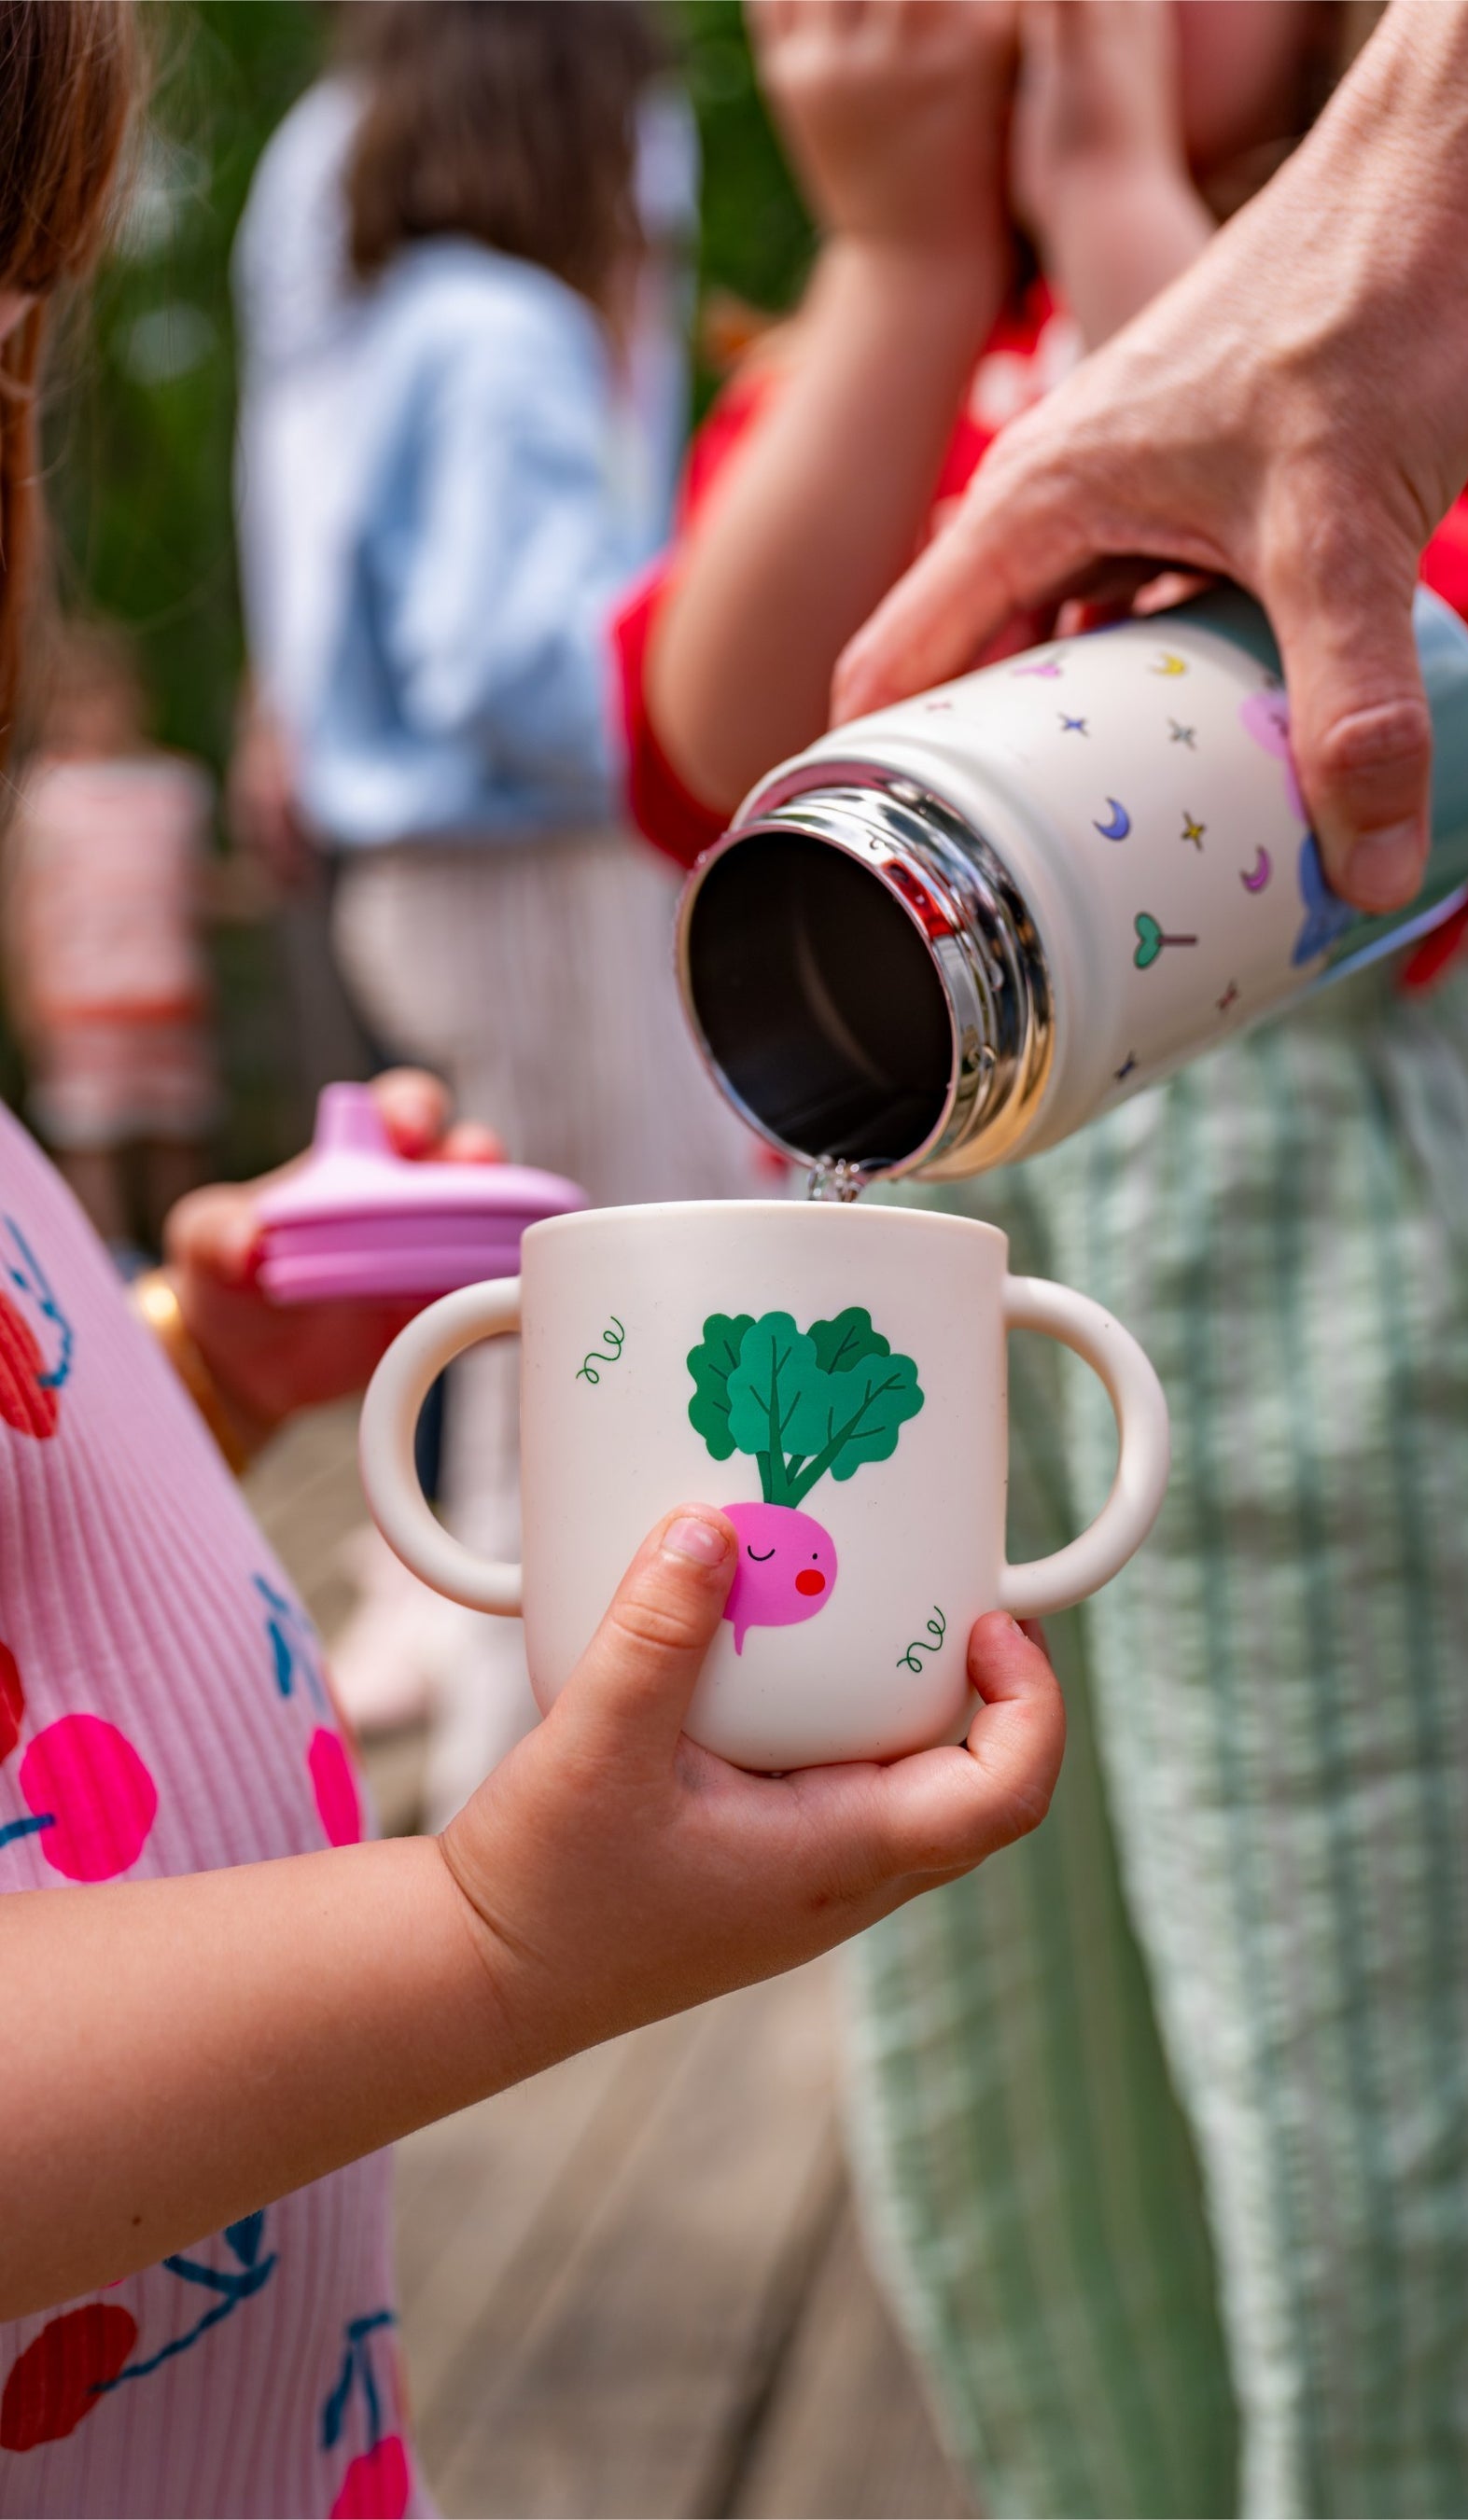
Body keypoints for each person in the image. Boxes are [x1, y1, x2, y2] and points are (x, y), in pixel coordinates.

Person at [616, 4, 1468, 2509]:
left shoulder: (1454, 288)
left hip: (1324, 1318)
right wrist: (895, 257)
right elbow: (720, 742)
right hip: (929, 1326)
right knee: (1015, 2118)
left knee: (1393, 2083)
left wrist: (1132, 238)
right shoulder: (894, 337)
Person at [0, 14, 1064, 2512]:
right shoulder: (499, 336)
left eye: (18, 347)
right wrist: (495, 1928)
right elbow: (511, 662)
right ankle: (573, 1704)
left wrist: (167, 1380)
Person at [234, 0, 760, 1824]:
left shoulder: (399, 330)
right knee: (623, 1308)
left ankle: (516, 1748)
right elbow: (512, 663)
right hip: (536, 872)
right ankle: (557, 1771)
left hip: (439, 885)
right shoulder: (513, 333)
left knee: (543, 1334)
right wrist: (709, 658)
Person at [834, 0, 1468, 921]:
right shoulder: (878, 365)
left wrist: (1111, 194)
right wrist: (901, 260)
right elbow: (702, 771)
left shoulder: (1460, 313)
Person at [3, 620, 218, 1260]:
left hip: (168, 995)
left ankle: (188, 1257)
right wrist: (28, 1002)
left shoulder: (175, 786)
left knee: (176, 1136)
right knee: (92, 1139)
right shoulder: (42, 796)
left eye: (105, 695)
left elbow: (196, 889)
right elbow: (23, 911)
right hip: (81, 1005)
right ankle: (111, 1265)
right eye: (74, 699)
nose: (94, 713)